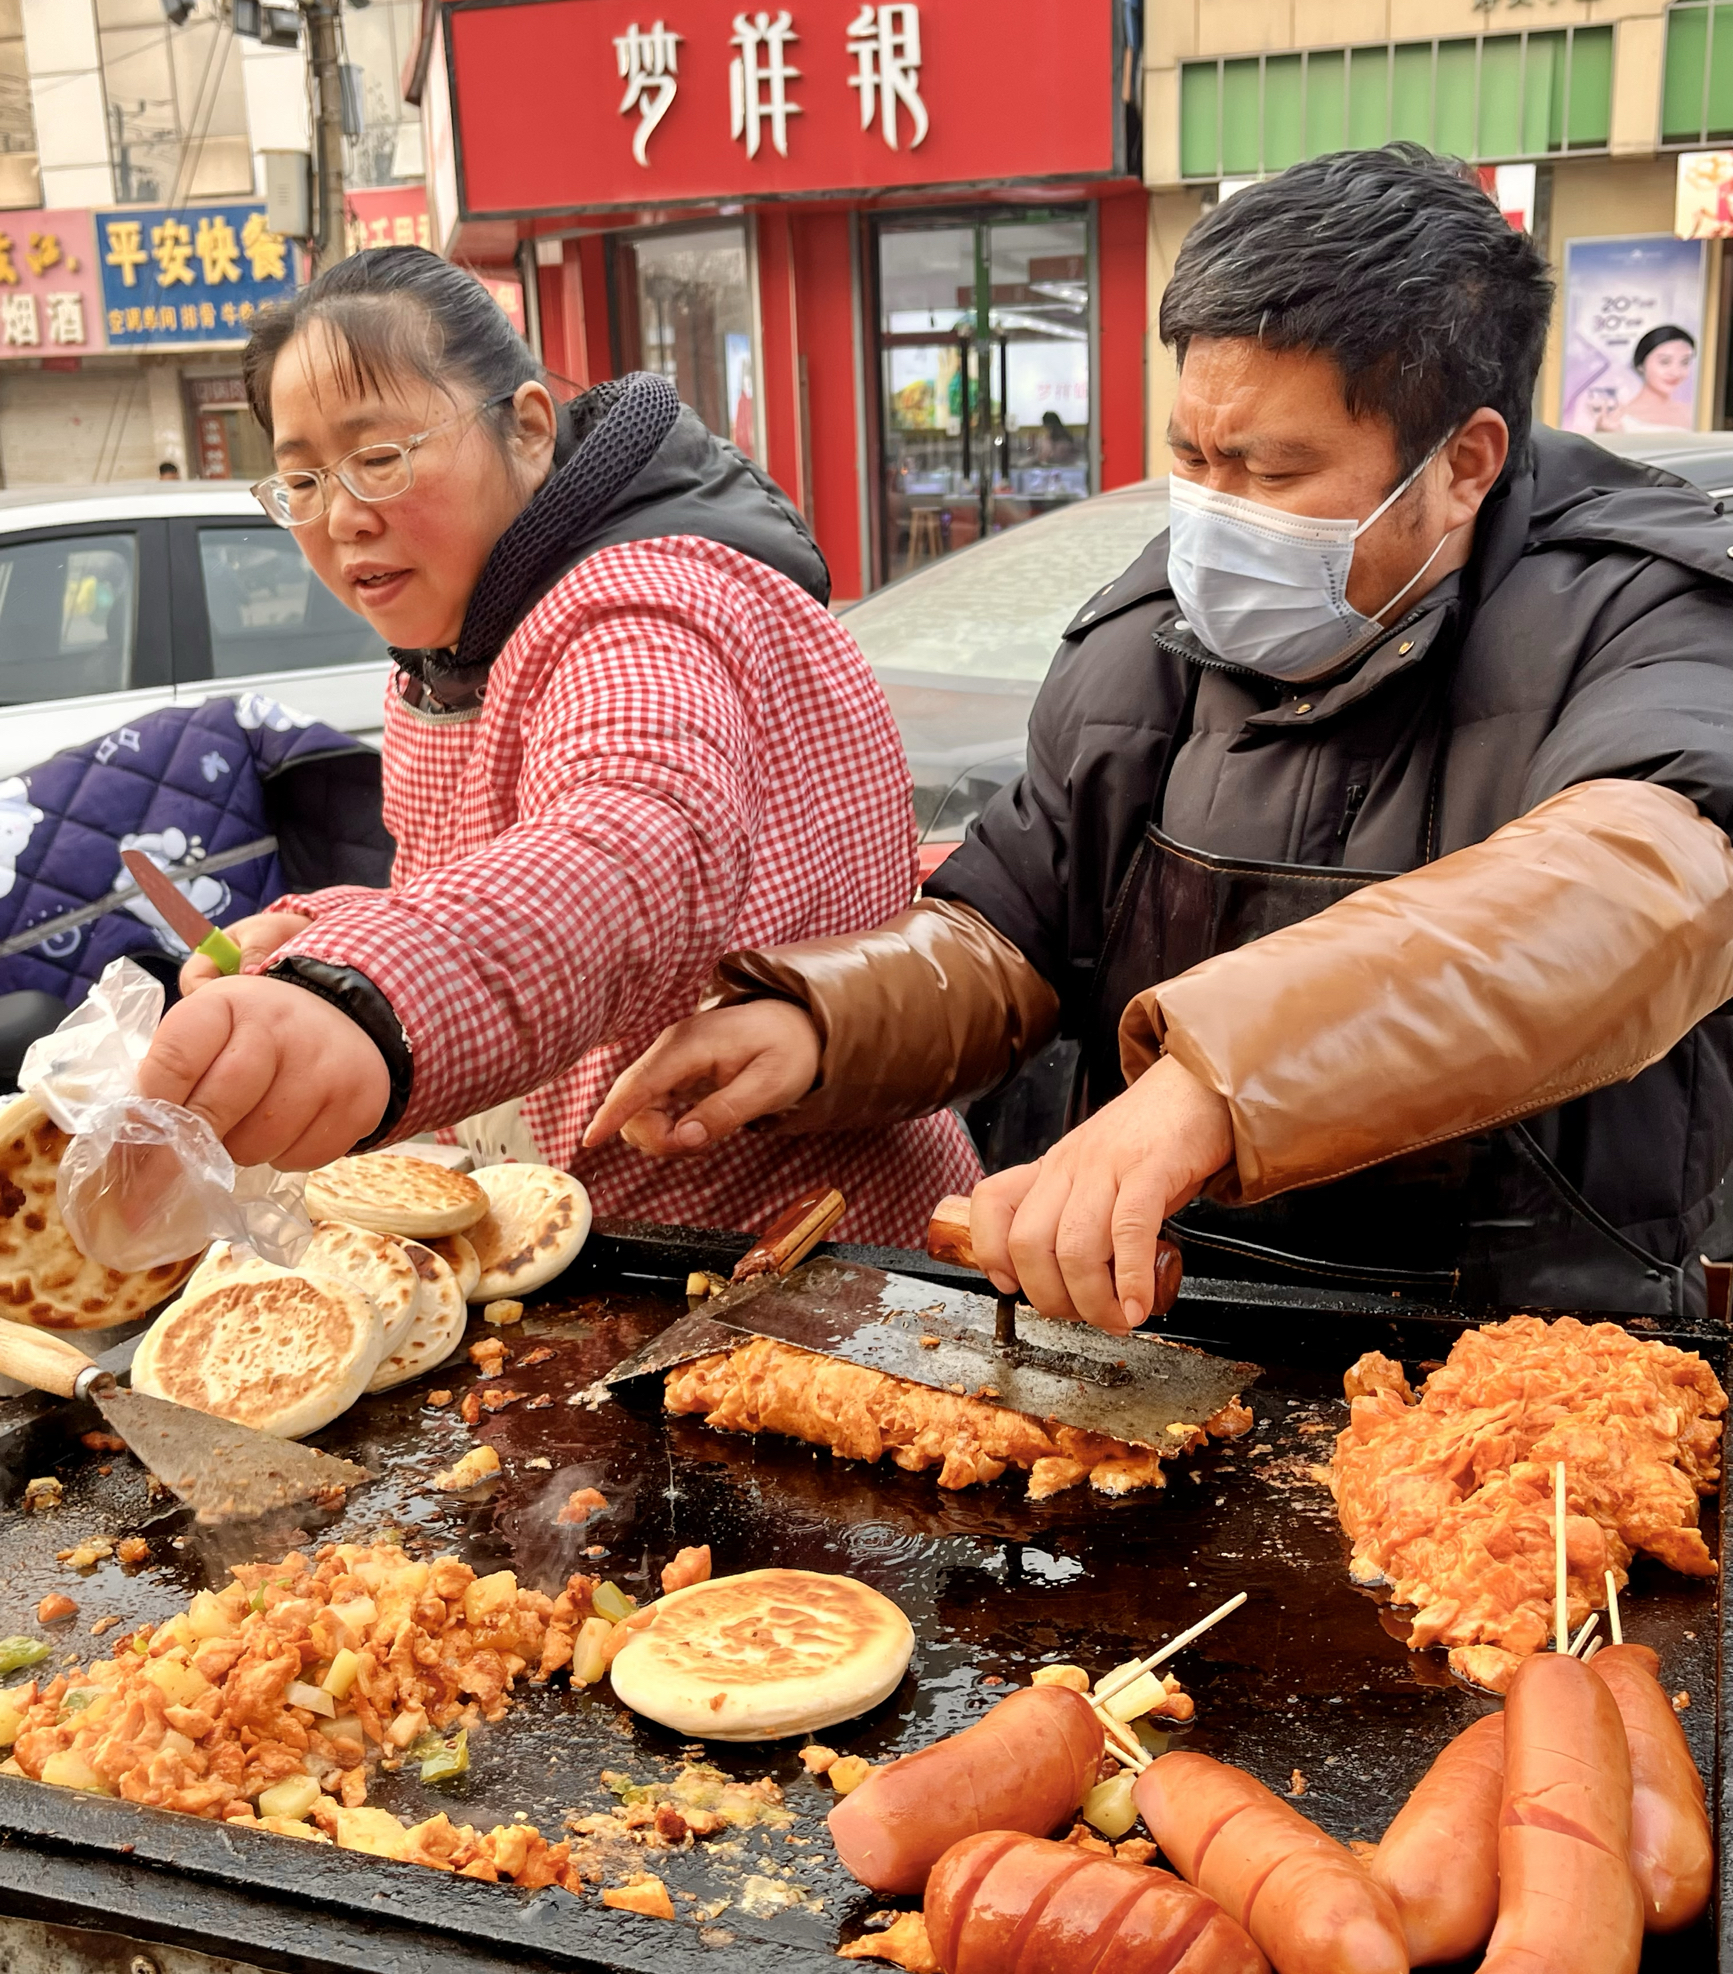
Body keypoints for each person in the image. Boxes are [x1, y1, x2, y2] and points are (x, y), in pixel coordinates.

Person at [590, 145, 1733, 1323]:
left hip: (1512, 1343)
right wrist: (820, 1021)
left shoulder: (1645, 607)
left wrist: (1209, 1084)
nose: (1215, 511)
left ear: (1462, 465)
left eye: (1274, 469)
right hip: (1155, 1318)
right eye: (1191, 457)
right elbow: (1018, 926)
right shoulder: (1153, 621)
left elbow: (1630, 889)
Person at [133, 245, 977, 1242]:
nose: (343, 518)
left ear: (528, 430)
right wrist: (331, 932)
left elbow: (629, 842)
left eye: (378, 457)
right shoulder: (458, 636)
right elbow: (502, 875)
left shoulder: (642, 604)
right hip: (625, 1242)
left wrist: (363, 994)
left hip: (804, 1254)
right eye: (302, 479)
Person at [1597, 324, 1696, 432]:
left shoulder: (1695, 413)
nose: (1676, 372)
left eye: (1685, 362)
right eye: (1665, 362)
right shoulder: (1616, 419)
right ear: (1641, 365)